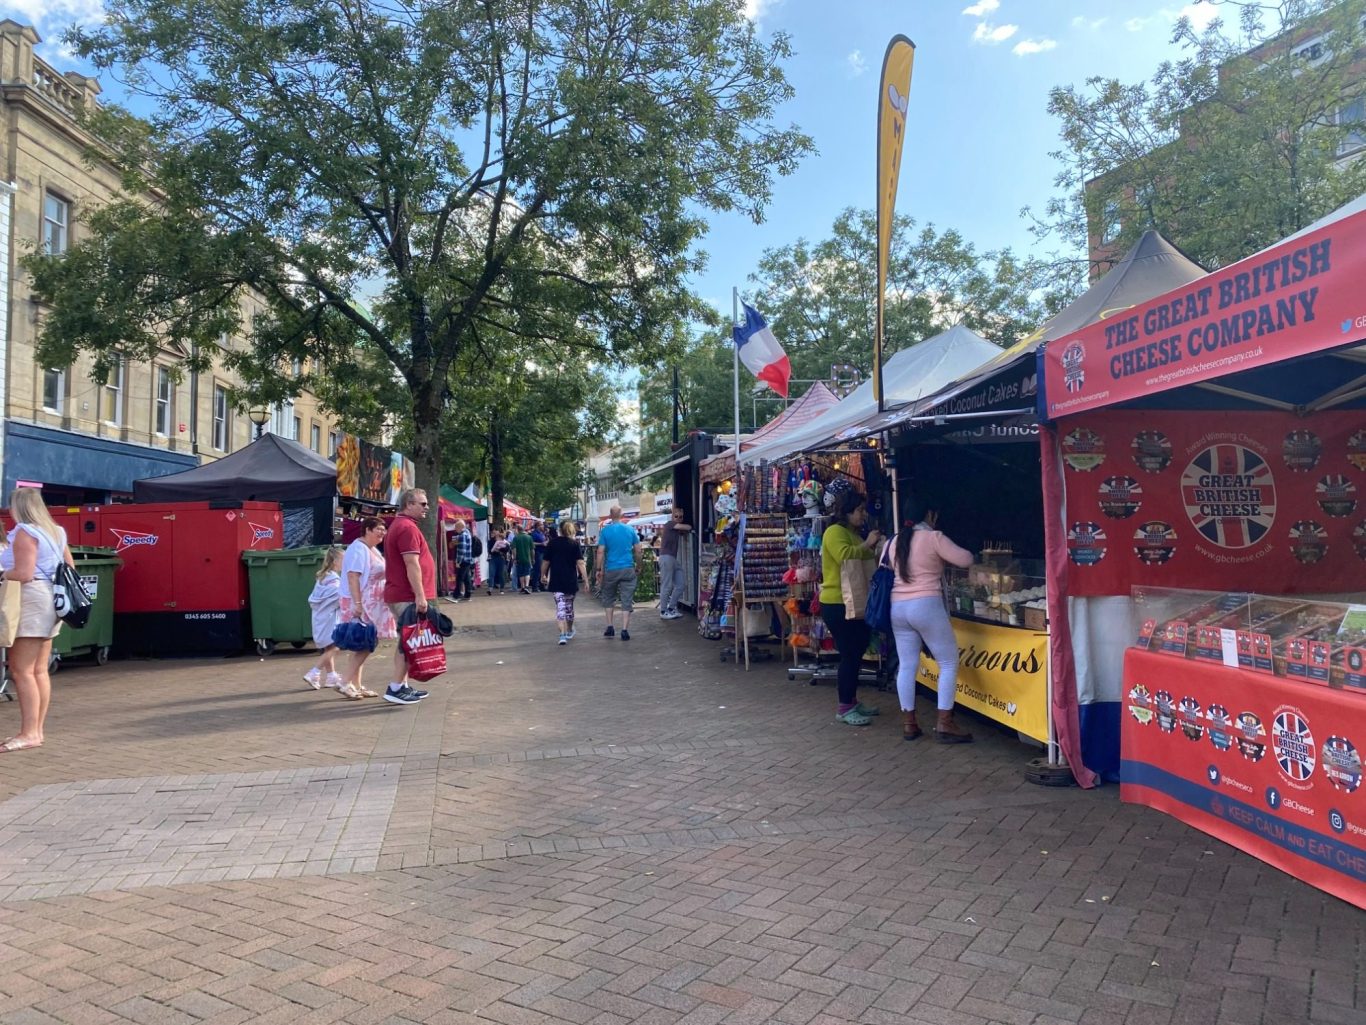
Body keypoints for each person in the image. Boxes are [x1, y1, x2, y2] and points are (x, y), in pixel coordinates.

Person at [887, 507, 976, 742]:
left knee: (907, 665)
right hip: (925, 606)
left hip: (898, 608)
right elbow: (966, 559)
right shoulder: (933, 537)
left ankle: (909, 724)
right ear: (931, 515)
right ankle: (945, 723)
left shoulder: (894, 541)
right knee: (948, 662)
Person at [0, 487, 74, 752]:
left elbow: (24, 573)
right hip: (53, 601)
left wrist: (1, 573)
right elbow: (70, 568)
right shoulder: (56, 531)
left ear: (17, 506)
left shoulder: (24, 533)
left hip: (32, 600)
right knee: (39, 670)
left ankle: (28, 732)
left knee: (21, 670)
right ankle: (36, 730)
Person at [819, 488, 883, 726]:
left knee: (856, 653)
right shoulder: (834, 532)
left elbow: (863, 559)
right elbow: (845, 556)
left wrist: (873, 548)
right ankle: (844, 706)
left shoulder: (852, 532)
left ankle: (852, 701)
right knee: (848, 654)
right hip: (837, 603)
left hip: (854, 602)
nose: (862, 515)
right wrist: (867, 544)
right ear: (846, 512)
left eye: (863, 510)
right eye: (859, 510)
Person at [382, 488, 437, 705]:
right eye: (422, 504)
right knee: (408, 641)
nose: (426, 507)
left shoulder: (402, 526)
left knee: (407, 641)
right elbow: (411, 564)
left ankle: (401, 685)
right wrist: (420, 596)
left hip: (403, 594)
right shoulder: (406, 528)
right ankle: (395, 687)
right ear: (409, 504)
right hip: (406, 595)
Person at [339, 516, 393, 699]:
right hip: (363, 603)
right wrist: (358, 604)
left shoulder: (372, 550)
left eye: (384, 530)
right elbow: (353, 576)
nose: (382, 533)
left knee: (362, 644)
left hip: (372, 602)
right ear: (367, 530)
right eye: (379, 529)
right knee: (365, 643)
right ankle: (344, 682)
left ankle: (356, 685)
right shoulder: (358, 549)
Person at [596, 506, 641, 641]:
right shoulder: (630, 529)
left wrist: (598, 569)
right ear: (621, 515)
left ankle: (610, 627)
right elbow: (638, 551)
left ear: (610, 515)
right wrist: (639, 566)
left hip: (611, 569)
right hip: (627, 568)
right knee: (626, 599)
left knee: (608, 597)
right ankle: (624, 630)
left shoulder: (605, 531)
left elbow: (600, 552)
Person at [304, 546, 345, 691]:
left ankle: (331, 676)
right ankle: (314, 672)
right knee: (336, 645)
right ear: (335, 561)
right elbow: (339, 598)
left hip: (320, 617)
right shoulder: (334, 580)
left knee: (329, 647)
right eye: (343, 560)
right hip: (330, 618)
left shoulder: (323, 578)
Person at [542, 520, 589, 644]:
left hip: (556, 579)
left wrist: (543, 575)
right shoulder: (574, 544)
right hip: (570, 580)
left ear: (559, 530)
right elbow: (580, 563)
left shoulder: (552, 544)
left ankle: (562, 635)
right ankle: (569, 630)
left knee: (560, 607)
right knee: (569, 607)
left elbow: (546, 562)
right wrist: (586, 580)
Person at [657, 507, 691, 620]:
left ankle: (671, 607)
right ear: (672, 516)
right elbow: (687, 527)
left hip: (672, 558)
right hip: (666, 557)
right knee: (666, 585)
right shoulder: (669, 524)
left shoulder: (675, 528)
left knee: (681, 584)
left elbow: (683, 530)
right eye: (676, 516)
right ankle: (663, 610)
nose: (679, 519)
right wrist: (687, 528)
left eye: (681, 517)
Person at [451, 518, 474, 601]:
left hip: (463, 561)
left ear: (460, 527)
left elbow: (462, 550)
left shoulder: (462, 535)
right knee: (466, 578)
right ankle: (468, 594)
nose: (455, 530)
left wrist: (458, 561)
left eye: (456, 528)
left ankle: (456, 595)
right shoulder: (467, 533)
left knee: (459, 578)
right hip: (468, 560)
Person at [511, 523, 535, 594]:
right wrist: (533, 558)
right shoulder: (529, 537)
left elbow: (514, 549)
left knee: (521, 573)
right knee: (527, 572)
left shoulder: (516, 538)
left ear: (517, 530)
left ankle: (522, 587)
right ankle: (527, 586)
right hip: (528, 558)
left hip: (519, 558)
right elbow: (532, 550)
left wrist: (515, 558)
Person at [487, 529, 510, 594]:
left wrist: (499, 549)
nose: (495, 534)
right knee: (491, 573)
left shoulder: (504, 540)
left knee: (501, 574)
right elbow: (489, 550)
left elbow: (507, 548)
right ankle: (490, 588)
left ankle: (501, 589)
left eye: (496, 532)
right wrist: (495, 550)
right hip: (493, 558)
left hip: (501, 558)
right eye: (494, 532)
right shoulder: (491, 541)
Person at [530, 520, 548, 592]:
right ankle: (535, 587)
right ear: (538, 526)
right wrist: (541, 544)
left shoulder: (542, 533)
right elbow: (532, 543)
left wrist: (546, 542)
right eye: (541, 525)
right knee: (537, 570)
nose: (543, 526)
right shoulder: (534, 534)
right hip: (538, 553)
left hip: (543, 552)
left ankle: (542, 586)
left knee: (543, 570)